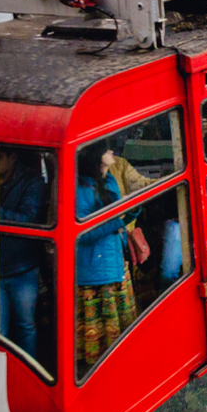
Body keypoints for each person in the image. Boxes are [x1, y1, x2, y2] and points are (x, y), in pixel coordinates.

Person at [75, 147, 136, 369]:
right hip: (95, 272)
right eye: (105, 146)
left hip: (115, 263)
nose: (111, 150)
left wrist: (131, 212)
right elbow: (83, 234)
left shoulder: (109, 180)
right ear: (95, 155)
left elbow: (115, 221)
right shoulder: (80, 188)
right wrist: (119, 219)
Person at [0, 150, 51, 356]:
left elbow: (27, 220)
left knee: (25, 326)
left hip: (23, 267)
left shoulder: (32, 182)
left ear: (12, 156)